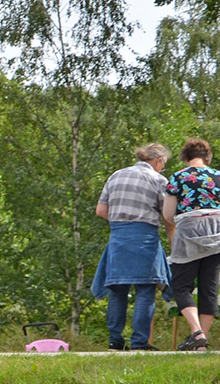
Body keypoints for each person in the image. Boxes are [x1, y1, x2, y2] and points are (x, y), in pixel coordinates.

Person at [92, 143, 171, 351]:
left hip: (118, 238)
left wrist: (121, 222)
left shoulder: (116, 176)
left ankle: (115, 341)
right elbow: (168, 215)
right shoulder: (158, 180)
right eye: (164, 164)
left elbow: (100, 210)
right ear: (159, 161)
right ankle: (139, 342)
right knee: (145, 290)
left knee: (118, 290)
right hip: (145, 238)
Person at [163, 138, 220, 350]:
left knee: (181, 284)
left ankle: (196, 333)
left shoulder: (178, 177)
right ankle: (201, 344)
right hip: (217, 232)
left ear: (185, 157)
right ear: (207, 156)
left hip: (189, 231)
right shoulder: (218, 176)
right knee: (209, 287)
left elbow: (168, 215)